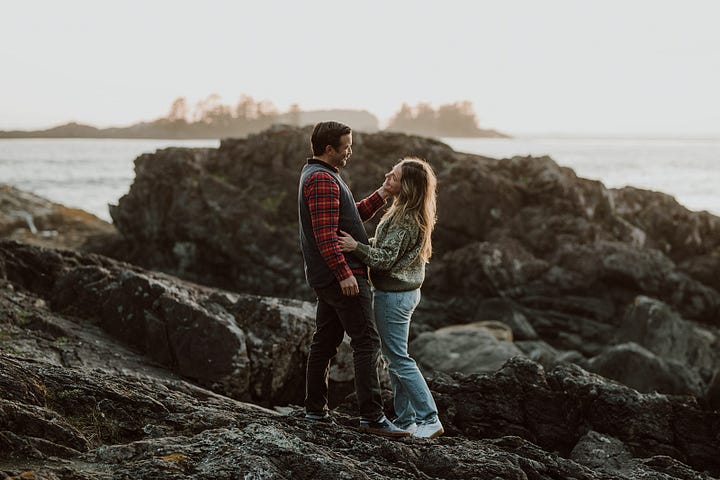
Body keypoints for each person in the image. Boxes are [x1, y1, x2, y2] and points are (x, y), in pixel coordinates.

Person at [298, 121, 411, 437]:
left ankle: (315, 411)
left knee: (325, 341)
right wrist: (345, 273)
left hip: (329, 277)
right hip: (341, 278)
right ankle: (372, 418)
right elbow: (324, 236)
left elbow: (350, 216)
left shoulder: (322, 175)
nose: (350, 151)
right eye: (346, 146)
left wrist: (382, 194)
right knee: (367, 342)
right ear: (329, 148)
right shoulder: (321, 179)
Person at [337, 157, 444, 439]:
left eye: (394, 177)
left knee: (398, 359)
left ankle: (429, 418)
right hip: (404, 294)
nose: (387, 176)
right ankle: (407, 418)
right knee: (396, 356)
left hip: (393, 297)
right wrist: (362, 244)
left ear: (406, 186)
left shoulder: (407, 219)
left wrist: (355, 246)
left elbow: (384, 260)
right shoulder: (405, 211)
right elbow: (388, 249)